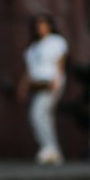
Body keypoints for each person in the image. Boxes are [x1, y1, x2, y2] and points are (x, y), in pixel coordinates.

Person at [19, 14, 68, 166]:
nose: (41, 27)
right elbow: (29, 69)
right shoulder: (33, 46)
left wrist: (57, 80)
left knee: (37, 114)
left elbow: (60, 62)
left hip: (51, 83)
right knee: (45, 117)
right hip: (37, 85)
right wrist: (23, 85)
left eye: (44, 24)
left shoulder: (56, 41)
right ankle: (52, 150)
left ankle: (49, 147)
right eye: (38, 25)